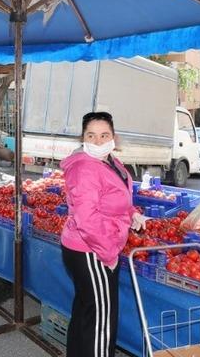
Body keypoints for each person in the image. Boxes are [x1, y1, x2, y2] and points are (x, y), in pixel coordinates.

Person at [60, 111, 145, 357]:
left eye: (104, 135)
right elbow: (87, 219)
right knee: (101, 321)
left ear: (113, 138)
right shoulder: (85, 168)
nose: (98, 141)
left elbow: (115, 197)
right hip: (91, 249)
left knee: (87, 312)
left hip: (91, 247)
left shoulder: (110, 161)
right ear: (82, 137)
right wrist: (108, 253)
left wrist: (131, 213)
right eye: (91, 135)